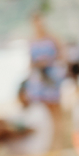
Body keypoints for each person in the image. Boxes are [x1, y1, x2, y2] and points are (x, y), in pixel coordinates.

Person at [25, 13, 66, 148]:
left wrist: (49, 62)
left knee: (56, 112)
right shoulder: (32, 40)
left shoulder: (53, 38)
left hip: (52, 78)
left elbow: (62, 57)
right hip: (39, 80)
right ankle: (48, 145)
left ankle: (59, 143)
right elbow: (29, 63)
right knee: (43, 114)